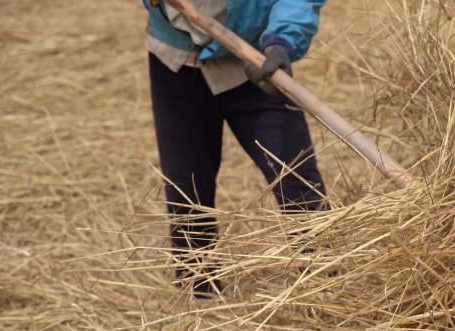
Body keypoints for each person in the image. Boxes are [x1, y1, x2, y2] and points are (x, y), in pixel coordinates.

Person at [141, 0, 329, 297]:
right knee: (186, 187)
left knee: (297, 179)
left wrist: (282, 40)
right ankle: (199, 297)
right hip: (175, 63)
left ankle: (326, 283)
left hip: (255, 64)